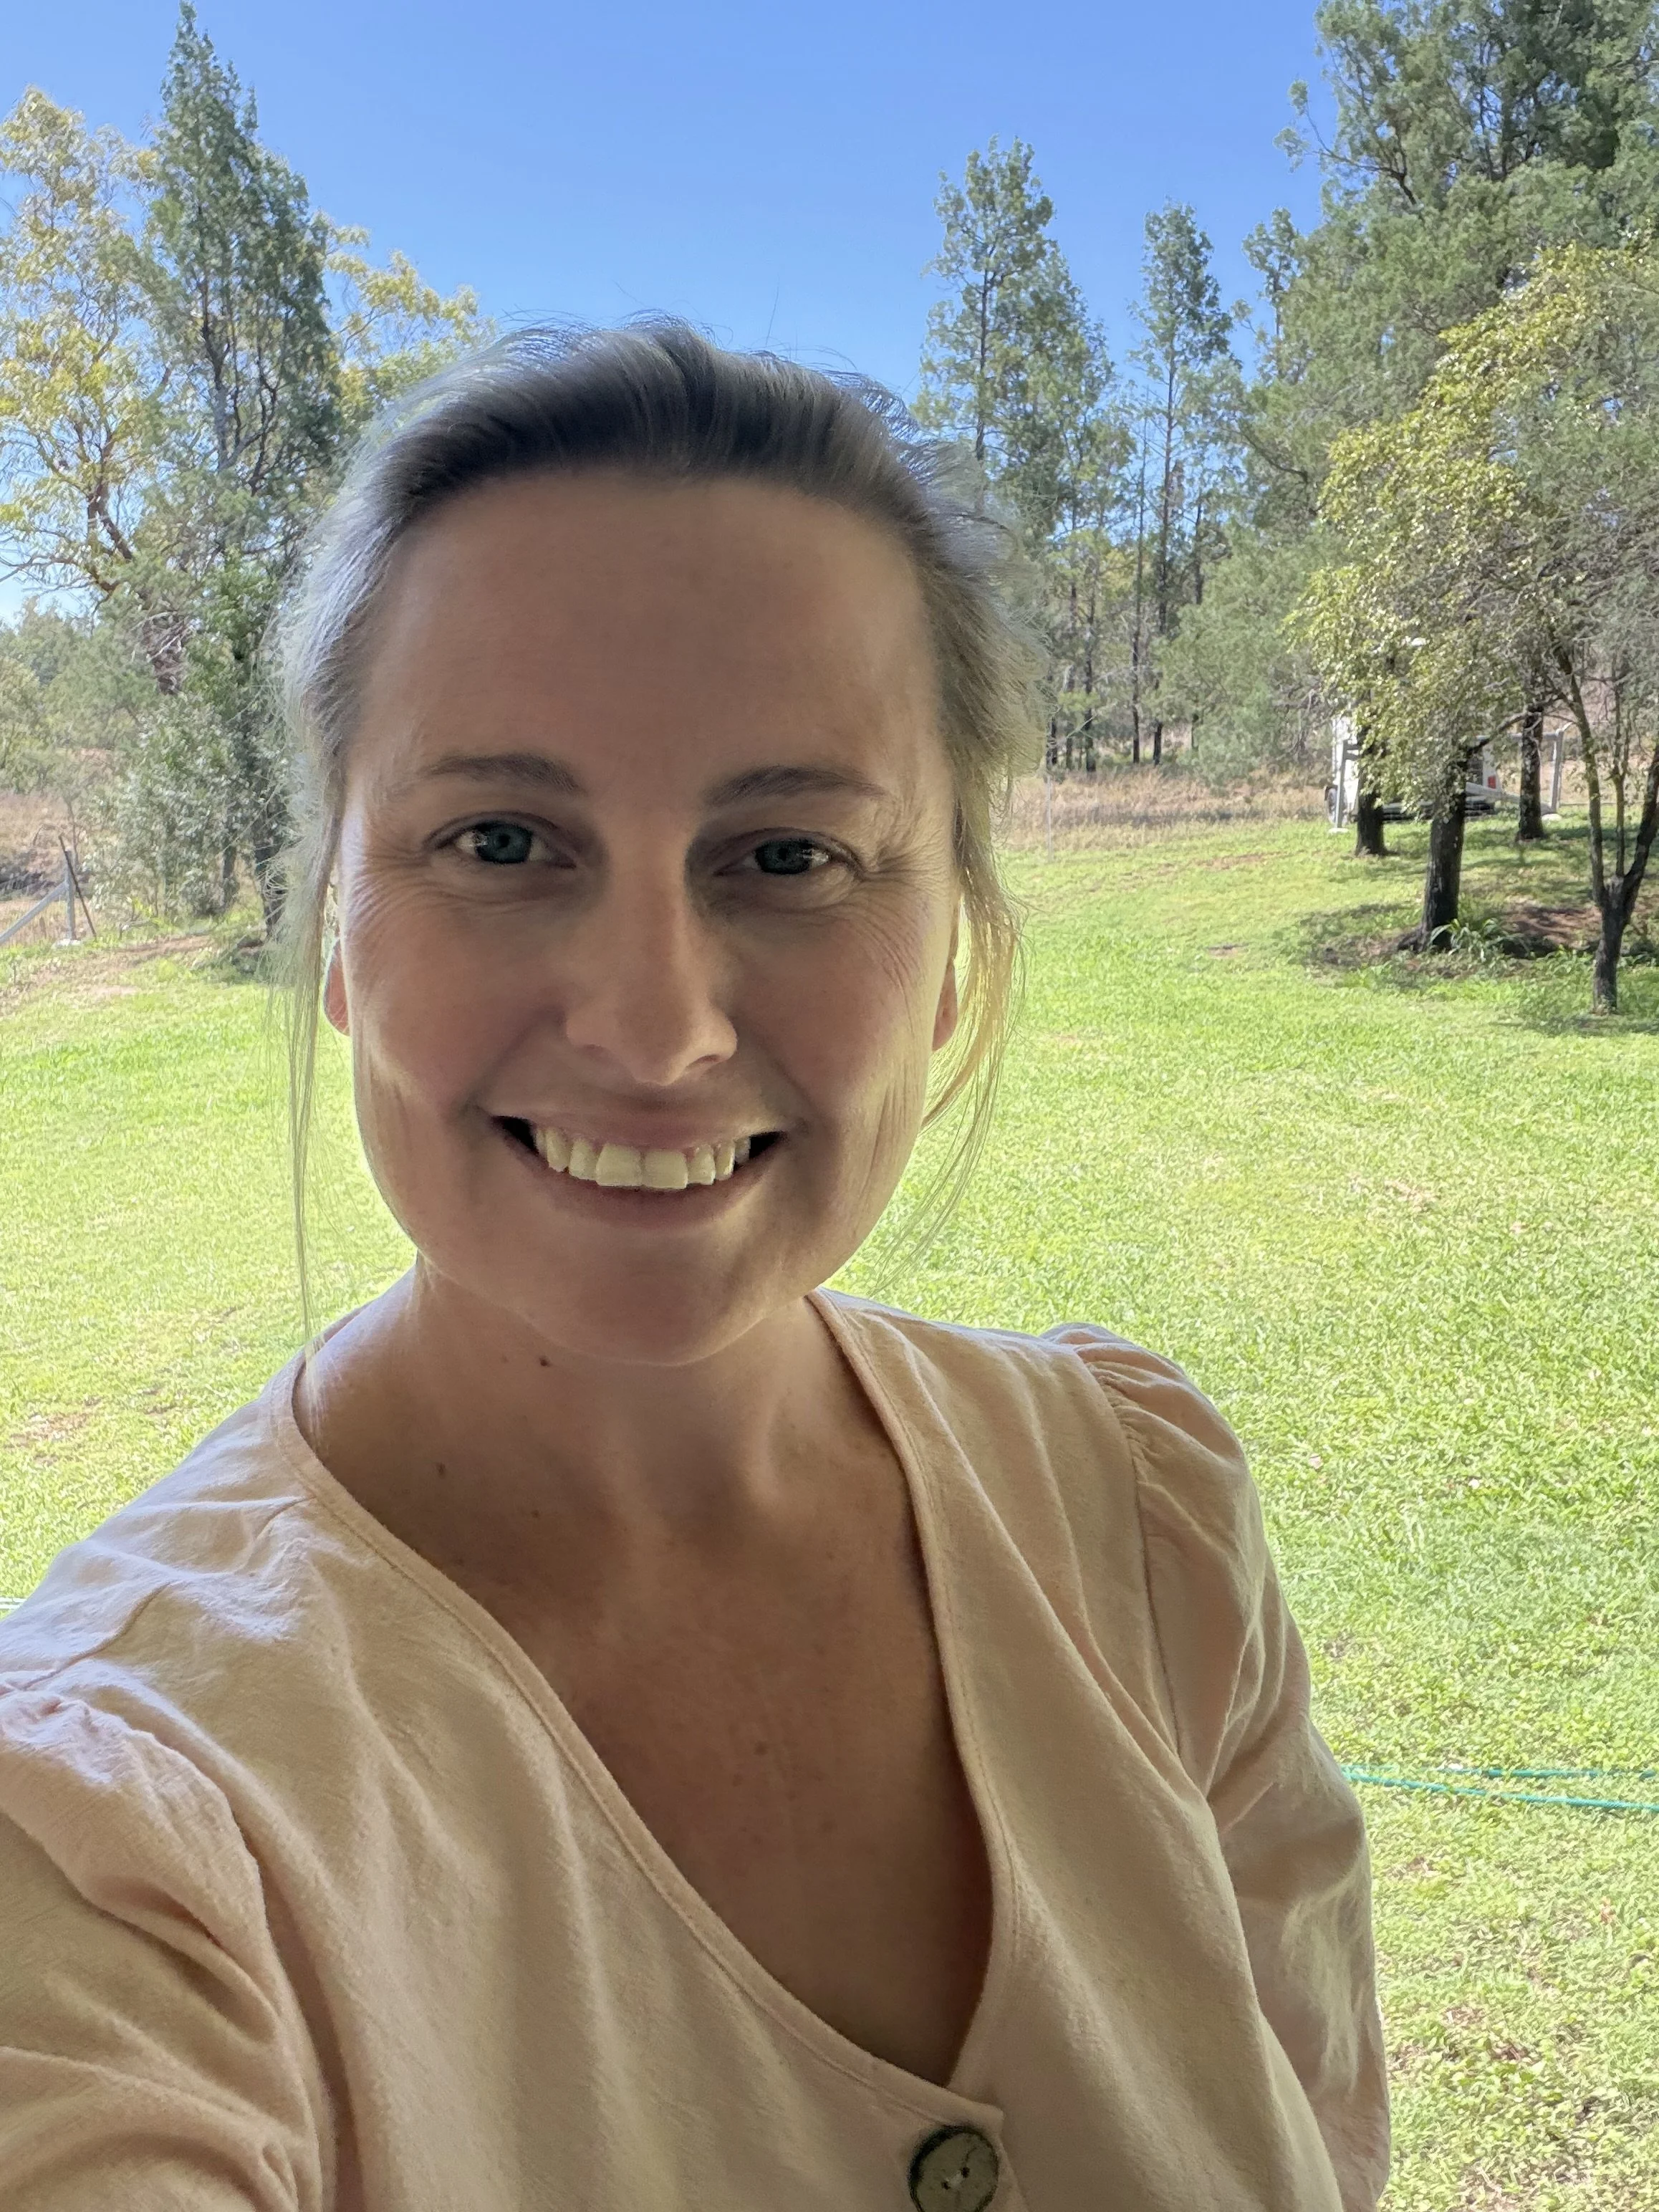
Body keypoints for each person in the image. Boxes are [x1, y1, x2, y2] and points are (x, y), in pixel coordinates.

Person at [0, 325, 1388, 2211]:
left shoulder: (1138, 1523)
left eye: (790, 856)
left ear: (957, 947)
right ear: (331, 921)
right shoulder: (109, 1834)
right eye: (500, 840)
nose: (652, 1031)